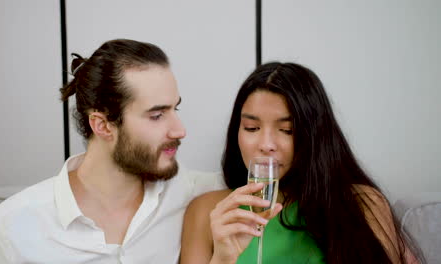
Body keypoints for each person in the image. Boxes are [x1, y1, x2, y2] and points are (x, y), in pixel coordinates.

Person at [0, 39, 224, 263]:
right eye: (157, 115)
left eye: (174, 110)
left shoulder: (194, 194)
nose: (180, 130)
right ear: (102, 125)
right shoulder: (9, 229)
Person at [180, 62, 423, 264]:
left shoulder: (361, 204)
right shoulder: (206, 212)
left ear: (313, 135)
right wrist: (222, 259)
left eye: (287, 130)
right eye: (251, 128)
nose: (266, 144)